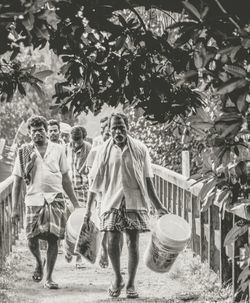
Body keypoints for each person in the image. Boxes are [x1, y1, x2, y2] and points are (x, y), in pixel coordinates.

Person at [84, 113, 168, 299]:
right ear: (109, 130)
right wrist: (88, 209)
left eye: (121, 127)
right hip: (111, 201)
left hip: (134, 201)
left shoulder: (140, 149)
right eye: (114, 128)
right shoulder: (102, 151)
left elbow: (147, 180)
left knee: (132, 242)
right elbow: (95, 182)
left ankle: (130, 283)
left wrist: (158, 206)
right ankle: (117, 278)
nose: (118, 131)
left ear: (127, 127)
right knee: (113, 241)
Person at [11, 115, 80, 289]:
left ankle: (48, 277)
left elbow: (65, 179)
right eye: (34, 131)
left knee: (53, 239)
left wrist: (76, 204)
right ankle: (38, 263)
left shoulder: (58, 149)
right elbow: (17, 181)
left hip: (55, 198)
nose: (38, 134)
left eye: (41, 130)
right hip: (33, 199)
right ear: (29, 133)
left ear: (46, 131)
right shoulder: (24, 151)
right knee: (31, 238)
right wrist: (14, 209)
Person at [65, 125, 91, 267]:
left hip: (84, 189)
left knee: (82, 223)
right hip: (69, 190)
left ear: (84, 138)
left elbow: (92, 169)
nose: (76, 143)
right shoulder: (66, 148)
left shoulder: (89, 148)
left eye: (78, 140)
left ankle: (79, 257)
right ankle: (69, 248)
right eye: (73, 140)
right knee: (68, 222)